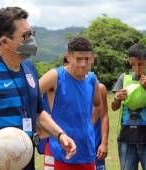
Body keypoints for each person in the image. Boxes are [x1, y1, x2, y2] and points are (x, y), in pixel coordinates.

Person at [0, 7, 76, 170]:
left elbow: (38, 113)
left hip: (25, 163)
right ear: (4, 41)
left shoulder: (29, 69)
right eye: (25, 36)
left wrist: (60, 135)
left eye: (31, 34)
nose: (31, 40)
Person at [39, 37, 101, 170]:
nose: (83, 64)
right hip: (58, 151)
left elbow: (98, 105)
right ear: (69, 57)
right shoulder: (55, 76)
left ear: (92, 58)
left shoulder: (92, 79)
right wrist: (40, 125)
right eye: (79, 59)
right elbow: (29, 98)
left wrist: (89, 126)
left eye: (87, 59)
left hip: (86, 150)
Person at [111, 43, 146, 170]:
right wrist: (117, 98)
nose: (137, 68)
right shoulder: (124, 78)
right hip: (127, 140)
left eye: (140, 64)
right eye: (133, 64)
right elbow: (114, 107)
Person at [92, 83, 109, 170]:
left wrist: (104, 143)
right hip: (73, 145)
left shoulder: (99, 88)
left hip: (94, 145)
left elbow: (104, 116)